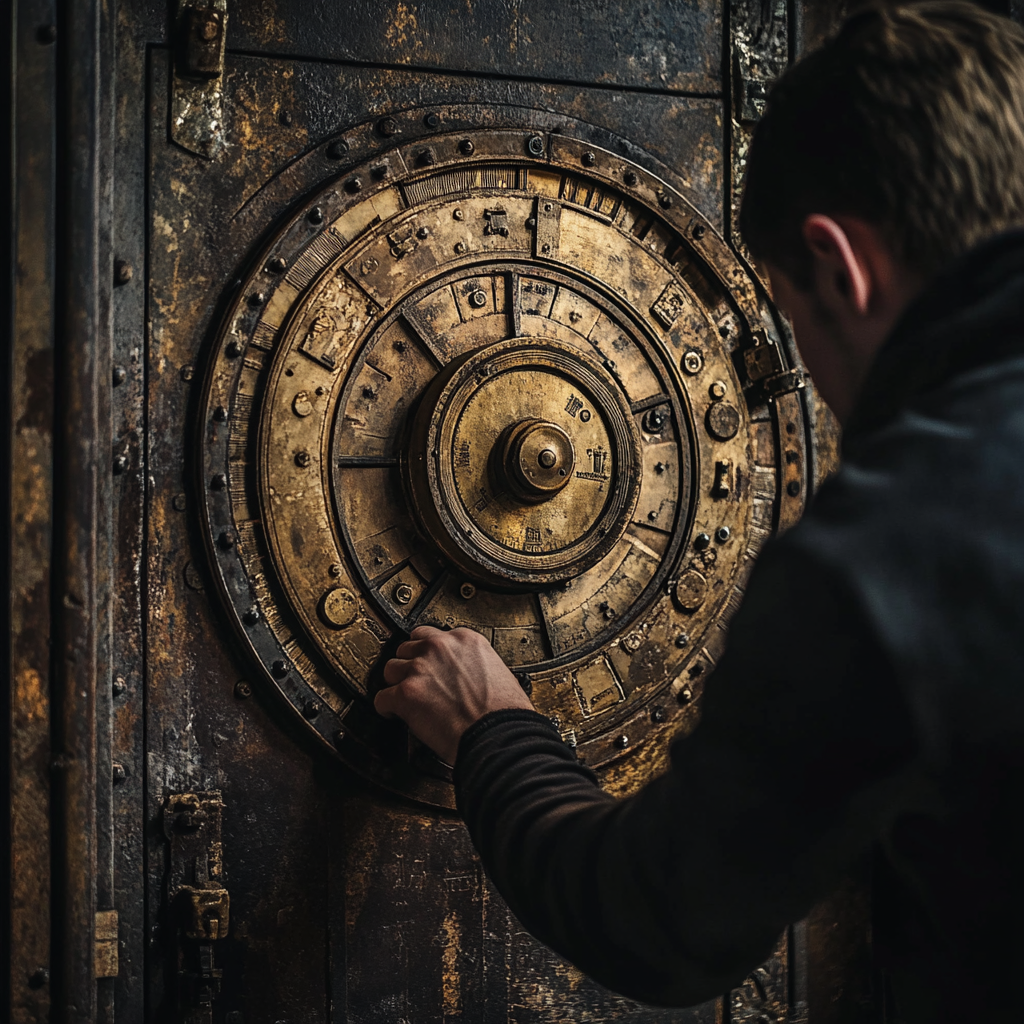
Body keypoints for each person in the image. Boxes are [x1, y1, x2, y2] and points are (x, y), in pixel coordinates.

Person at [374, 4, 1024, 1021]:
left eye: (792, 313)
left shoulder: (895, 543)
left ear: (837, 265)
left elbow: (664, 919)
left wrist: (492, 731)